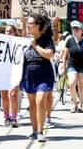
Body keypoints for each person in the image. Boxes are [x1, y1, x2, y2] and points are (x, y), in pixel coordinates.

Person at [20, 13, 55, 142]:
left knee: (40, 101)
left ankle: (40, 131)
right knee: (32, 104)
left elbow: (48, 55)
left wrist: (35, 45)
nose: (28, 26)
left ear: (38, 25)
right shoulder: (24, 40)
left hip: (44, 74)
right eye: (27, 23)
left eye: (30, 23)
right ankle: (34, 130)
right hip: (29, 74)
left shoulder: (46, 39)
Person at [0, 24, 21, 128]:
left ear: (15, 32)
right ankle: (6, 117)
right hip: (3, 71)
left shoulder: (18, 43)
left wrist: (24, 23)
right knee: (4, 95)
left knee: (13, 94)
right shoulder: (0, 43)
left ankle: (14, 117)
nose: (7, 33)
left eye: (10, 31)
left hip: (15, 71)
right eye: (6, 31)